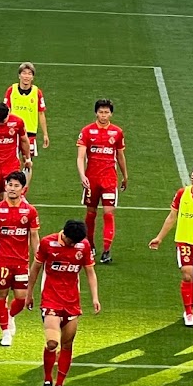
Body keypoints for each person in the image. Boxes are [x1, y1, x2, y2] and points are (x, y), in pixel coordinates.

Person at [26, 219, 100, 386]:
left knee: (67, 345)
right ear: (64, 234)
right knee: (52, 343)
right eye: (71, 242)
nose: (73, 245)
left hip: (72, 303)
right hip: (50, 301)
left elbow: (90, 272)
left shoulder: (83, 246)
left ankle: (59, 384)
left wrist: (95, 298)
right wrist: (29, 294)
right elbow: (35, 269)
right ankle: (47, 380)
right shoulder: (47, 243)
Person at [149, 162, 193, 327]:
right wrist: (159, 237)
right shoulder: (182, 193)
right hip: (184, 240)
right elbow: (172, 216)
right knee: (188, 274)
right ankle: (188, 311)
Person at [0, 171, 39, 346]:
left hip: (22, 262)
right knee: (2, 295)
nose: (12, 188)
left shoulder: (30, 211)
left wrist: (38, 256)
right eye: (10, 185)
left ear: (23, 189)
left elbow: (34, 236)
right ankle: (5, 331)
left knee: (21, 298)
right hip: (3, 261)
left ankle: (10, 315)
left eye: (16, 186)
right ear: (5, 186)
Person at [76, 98, 127, 263]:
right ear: (96, 113)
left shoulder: (117, 132)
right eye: (101, 112)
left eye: (106, 112)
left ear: (111, 114)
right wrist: (82, 175)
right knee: (91, 214)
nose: (103, 115)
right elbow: (80, 156)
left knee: (108, 213)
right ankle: (90, 245)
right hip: (91, 179)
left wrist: (125, 175)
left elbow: (120, 155)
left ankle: (106, 251)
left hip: (109, 179)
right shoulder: (87, 131)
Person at [3, 61, 49, 164]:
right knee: (10, 160)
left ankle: (26, 175)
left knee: (27, 161)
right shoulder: (11, 90)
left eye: (29, 74)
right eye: (24, 73)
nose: (26, 76)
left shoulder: (37, 92)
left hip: (29, 131)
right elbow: (6, 111)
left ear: (32, 77)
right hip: (13, 130)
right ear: (19, 75)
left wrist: (45, 134)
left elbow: (41, 113)